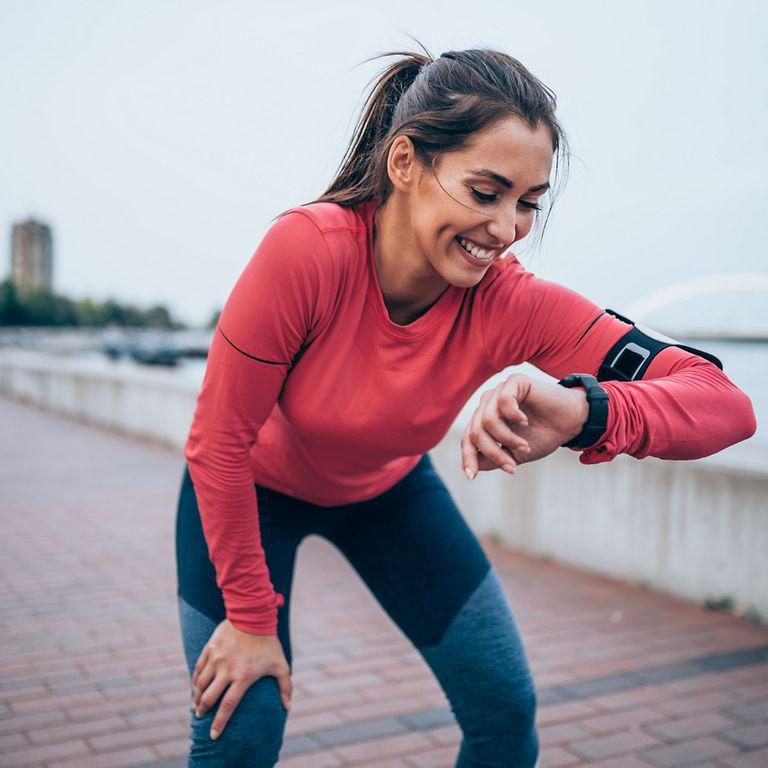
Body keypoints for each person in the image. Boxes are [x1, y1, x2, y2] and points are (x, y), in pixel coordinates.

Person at [174, 44, 757, 768]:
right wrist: (252, 620)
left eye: (528, 204)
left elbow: (724, 403)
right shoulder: (309, 251)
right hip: (246, 493)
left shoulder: (512, 303)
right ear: (405, 164)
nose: (508, 229)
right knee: (246, 726)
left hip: (387, 494)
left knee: (506, 718)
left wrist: (585, 411)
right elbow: (218, 440)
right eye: (486, 192)